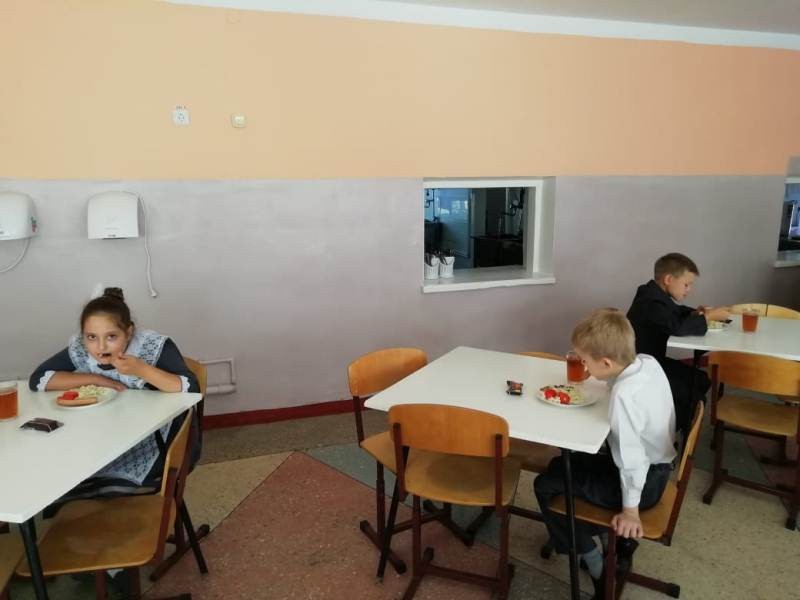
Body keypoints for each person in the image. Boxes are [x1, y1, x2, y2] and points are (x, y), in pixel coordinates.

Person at [534, 309, 676, 600]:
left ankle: (596, 565)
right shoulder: (646, 363)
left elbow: (632, 459)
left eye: (585, 361)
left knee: (545, 485)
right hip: (660, 466)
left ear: (607, 363)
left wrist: (630, 511)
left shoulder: (624, 397)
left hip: (645, 483)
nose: (583, 366)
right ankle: (603, 538)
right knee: (561, 465)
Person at [29, 286, 200, 501]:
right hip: (110, 432)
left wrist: (141, 369)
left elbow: (191, 388)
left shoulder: (151, 346)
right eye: (92, 337)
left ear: (129, 332)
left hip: (159, 437)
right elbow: (39, 379)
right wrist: (96, 378)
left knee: (87, 487)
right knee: (58, 478)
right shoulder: (82, 349)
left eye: (111, 336)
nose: (100, 347)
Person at [626, 252, 730, 436]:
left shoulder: (653, 293)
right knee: (693, 394)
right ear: (668, 279)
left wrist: (695, 313)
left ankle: (673, 422)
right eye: (686, 284)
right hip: (639, 368)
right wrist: (708, 317)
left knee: (701, 379)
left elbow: (675, 311)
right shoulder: (650, 301)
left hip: (652, 362)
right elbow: (677, 327)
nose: (689, 290)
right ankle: (668, 433)